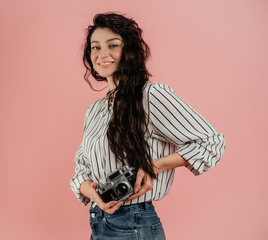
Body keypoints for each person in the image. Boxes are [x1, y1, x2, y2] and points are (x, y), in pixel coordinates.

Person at [70, 12, 225, 240]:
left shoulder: (150, 95)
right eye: (95, 47)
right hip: (99, 222)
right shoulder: (95, 110)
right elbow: (81, 169)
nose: (102, 54)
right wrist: (92, 191)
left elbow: (211, 141)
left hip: (133, 224)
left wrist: (154, 166)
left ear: (129, 50)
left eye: (112, 45)